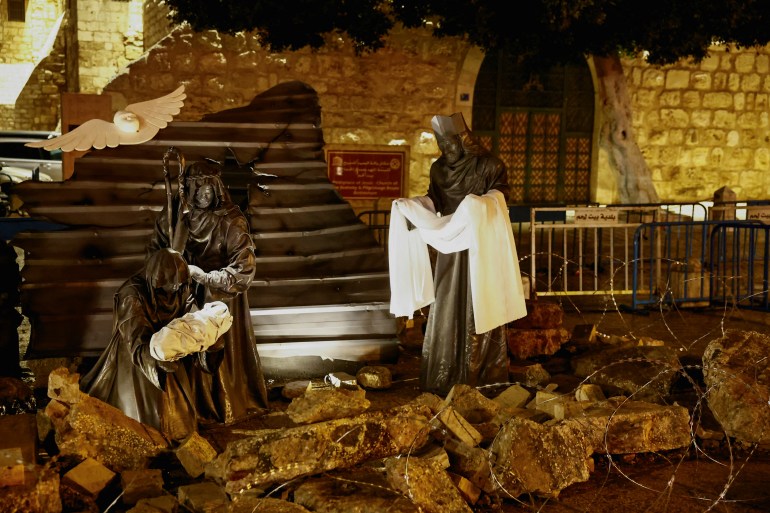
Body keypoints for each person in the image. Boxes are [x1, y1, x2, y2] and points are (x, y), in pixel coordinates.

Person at [389, 112, 527, 396]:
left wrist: (478, 206)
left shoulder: (490, 165)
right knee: (447, 306)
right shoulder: (439, 169)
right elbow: (435, 199)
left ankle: (483, 373)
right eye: (441, 142)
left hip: (480, 247)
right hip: (449, 248)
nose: (445, 148)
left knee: (480, 303)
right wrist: (412, 205)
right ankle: (445, 371)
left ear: (463, 139)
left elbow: (500, 197)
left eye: (449, 142)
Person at [147, 160, 269, 425]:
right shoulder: (174, 216)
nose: (204, 193)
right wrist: (171, 266)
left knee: (216, 350)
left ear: (218, 188)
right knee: (180, 344)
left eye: (209, 187)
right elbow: (156, 254)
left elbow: (244, 269)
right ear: (188, 189)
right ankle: (184, 408)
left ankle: (221, 404)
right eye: (197, 186)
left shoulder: (232, 220)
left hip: (220, 297)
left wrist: (205, 277)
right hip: (182, 295)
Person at [80, 248, 198, 441]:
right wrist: (154, 359)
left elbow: (185, 310)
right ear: (157, 281)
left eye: (179, 286)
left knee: (180, 417)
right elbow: (136, 335)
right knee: (148, 417)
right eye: (169, 287)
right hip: (138, 354)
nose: (175, 292)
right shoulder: (131, 294)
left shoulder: (180, 287)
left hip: (168, 348)